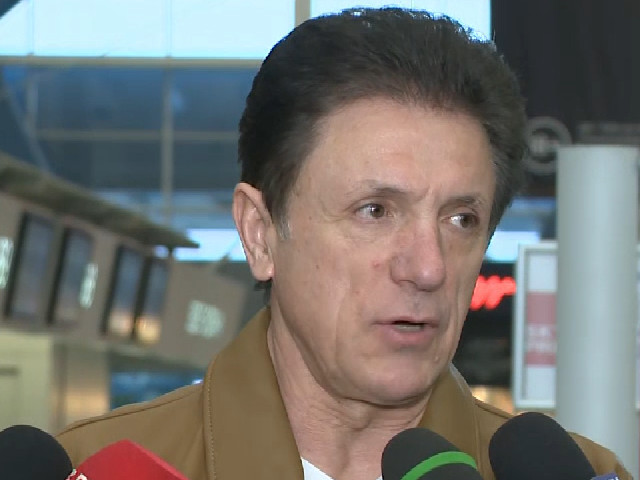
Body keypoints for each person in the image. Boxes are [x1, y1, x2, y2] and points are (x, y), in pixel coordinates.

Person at [57, 7, 631, 480]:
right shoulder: (96, 470)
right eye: (375, 211)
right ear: (260, 234)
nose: (428, 267)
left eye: (460, 219)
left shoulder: (586, 475)